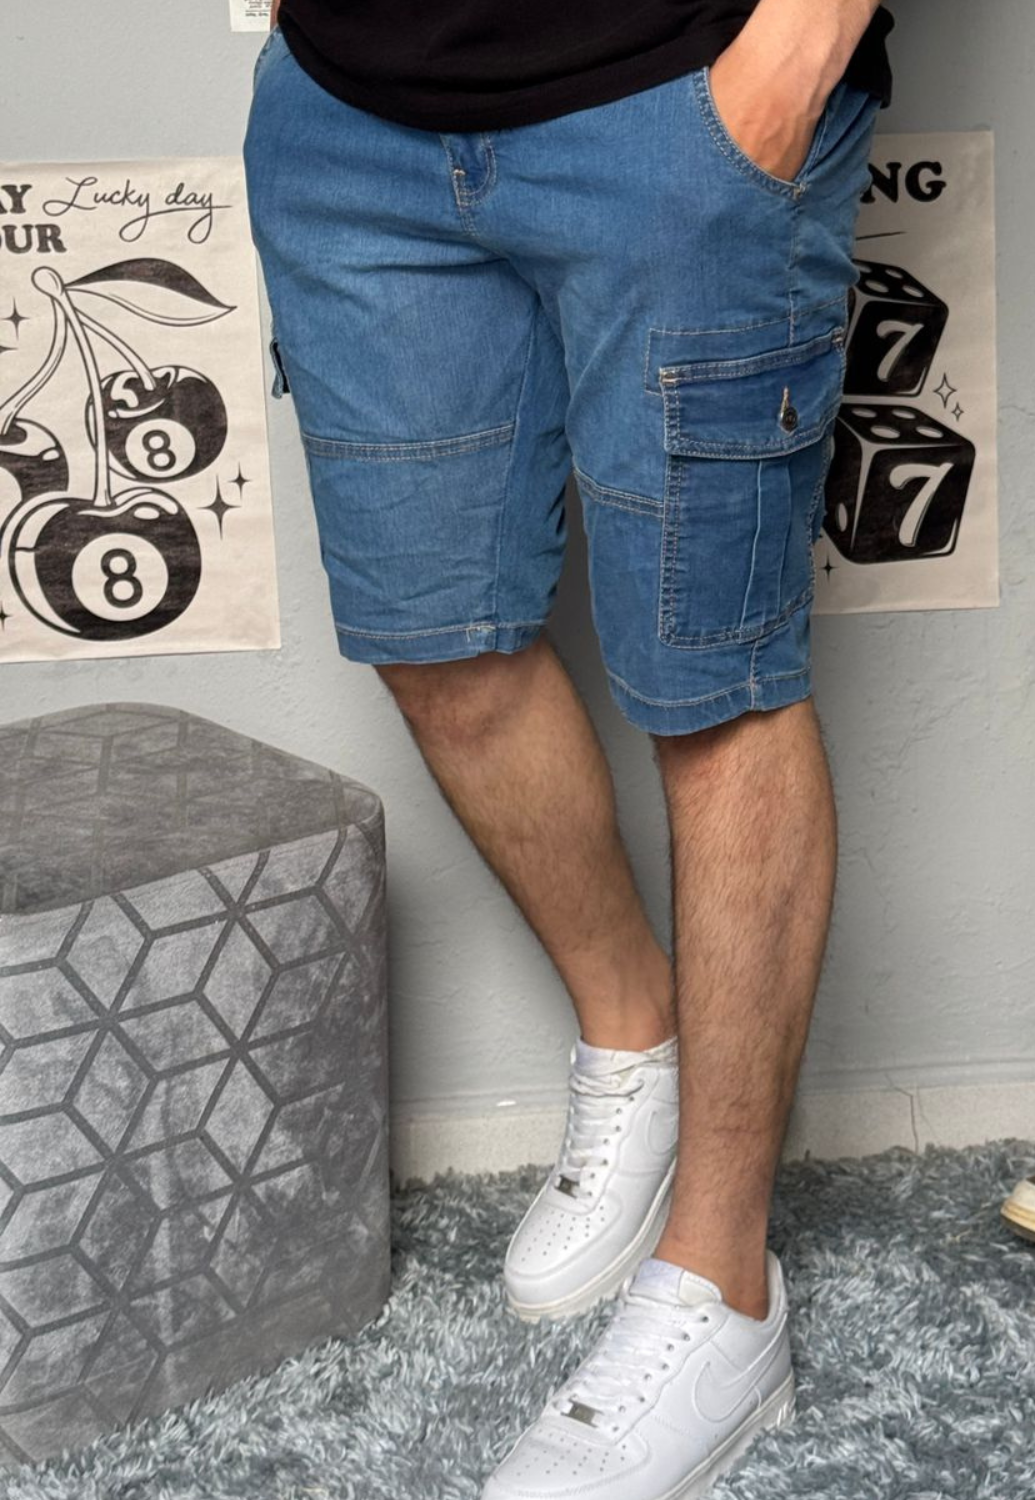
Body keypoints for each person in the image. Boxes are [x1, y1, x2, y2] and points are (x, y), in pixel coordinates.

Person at [244, 1, 892, 1493]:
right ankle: (634, 1037)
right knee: (437, 641)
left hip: (682, 99)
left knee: (715, 684)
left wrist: (797, 47)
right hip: (350, 118)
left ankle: (722, 1287)